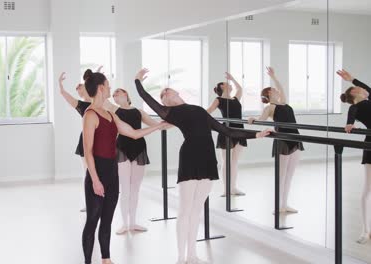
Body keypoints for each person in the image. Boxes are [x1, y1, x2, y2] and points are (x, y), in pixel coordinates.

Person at [134, 68, 270, 264]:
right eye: (164, 94)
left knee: (197, 210)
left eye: (169, 90)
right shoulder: (170, 112)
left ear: (177, 93)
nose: (167, 92)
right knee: (185, 210)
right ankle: (181, 258)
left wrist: (256, 135)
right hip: (189, 158)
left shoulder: (198, 109)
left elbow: (226, 130)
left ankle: (192, 255)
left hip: (207, 159)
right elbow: (146, 98)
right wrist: (138, 80)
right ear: (165, 102)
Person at [81, 69, 166, 264]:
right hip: (98, 173)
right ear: (101, 88)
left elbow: (133, 133)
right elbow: (88, 151)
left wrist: (158, 126)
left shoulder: (110, 113)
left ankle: (106, 259)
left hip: (112, 171)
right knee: (93, 220)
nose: (110, 87)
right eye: (108, 85)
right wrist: (94, 180)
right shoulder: (90, 115)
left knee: (107, 219)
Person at [248, 67, 304, 214]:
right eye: (273, 89)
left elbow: (281, 88)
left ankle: (284, 204)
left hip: (296, 139)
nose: (277, 90)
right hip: (283, 140)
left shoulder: (284, 102)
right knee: (281, 176)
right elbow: (261, 120)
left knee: (290, 177)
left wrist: (274, 77)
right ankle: (277, 206)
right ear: (268, 93)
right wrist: (253, 119)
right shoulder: (270, 107)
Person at [111, 88, 159, 234]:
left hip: (139, 148)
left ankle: (133, 223)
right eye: (113, 94)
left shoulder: (139, 111)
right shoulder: (114, 111)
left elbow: (155, 124)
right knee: (125, 188)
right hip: (122, 148)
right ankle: (124, 224)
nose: (115, 95)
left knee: (135, 189)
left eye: (118, 92)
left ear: (126, 94)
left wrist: (173, 121)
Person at [337, 69, 371, 244]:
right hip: (370, 145)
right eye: (358, 88)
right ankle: (366, 230)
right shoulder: (355, 107)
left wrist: (352, 79)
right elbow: (350, 120)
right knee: (367, 189)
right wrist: (350, 125)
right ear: (355, 93)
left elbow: (367, 88)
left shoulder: (369, 98)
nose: (364, 89)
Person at [207, 72, 246, 196]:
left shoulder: (235, 99)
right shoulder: (219, 100)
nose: (229, 84)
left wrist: (233, 78)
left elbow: (240, 89)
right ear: (222, 87)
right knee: (226, 161)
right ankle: (226, 189)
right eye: (226, 83)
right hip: (227, 131)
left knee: (234, 161)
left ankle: (233, 187)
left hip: (239, 131)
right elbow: (208, 111)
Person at [58, 72, 91, 212]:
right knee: (88, 173)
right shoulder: (82, 105)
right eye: (77, 89)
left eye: (81, 86)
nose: (78, 88)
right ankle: (89, 203)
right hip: (86, 141)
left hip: (101, 141)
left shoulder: (101, 102)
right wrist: (60, 85)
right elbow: (66, 96)